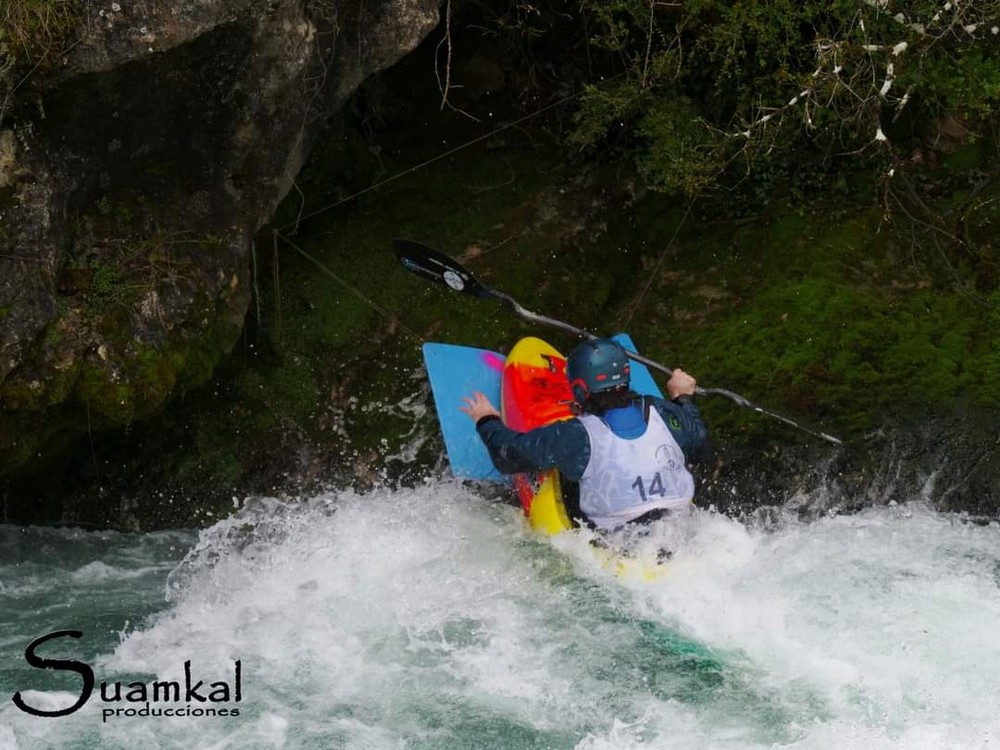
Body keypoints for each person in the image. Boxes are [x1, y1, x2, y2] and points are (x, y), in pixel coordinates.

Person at [460, 338, 709, 530]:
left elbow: (507, 457)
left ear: (579, 389)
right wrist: (683, 399)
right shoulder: (663, 412)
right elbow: (700, 441)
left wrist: (487, 419)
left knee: (570, 473)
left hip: (621, 547)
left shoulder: (576, 437)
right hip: (681, 531)